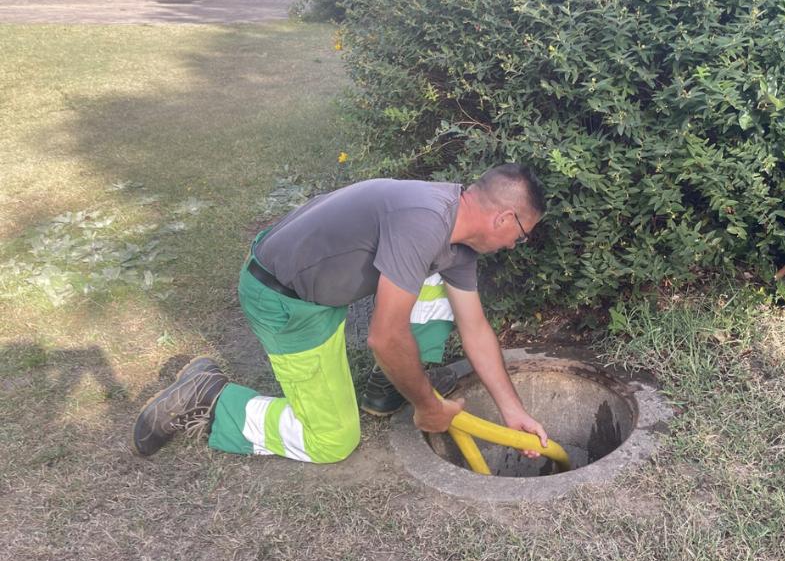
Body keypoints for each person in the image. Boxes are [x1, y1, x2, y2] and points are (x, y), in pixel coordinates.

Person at [132, 164, 549, 464]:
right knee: (332, 440)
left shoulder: (455, 233)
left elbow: (474, 327)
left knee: (440, 290)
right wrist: (428, 406)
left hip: (314, 285)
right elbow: (385, 337)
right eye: (522, 235)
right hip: (283, 300)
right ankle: (211, 397)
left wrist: (512, 411)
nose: (515, 245)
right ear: (504, 218)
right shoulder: (424, 222)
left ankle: (388, 386)